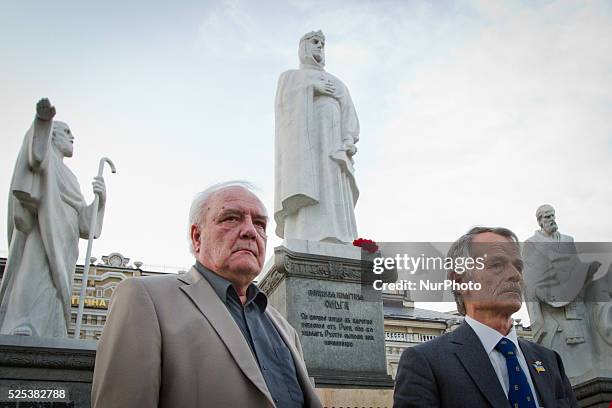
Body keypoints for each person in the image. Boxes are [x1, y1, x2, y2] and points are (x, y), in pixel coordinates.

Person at [92, 182, 322, 408]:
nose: (251, 231)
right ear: (197, 237)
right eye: (231, 218)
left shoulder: (285, 329)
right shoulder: (144, 298)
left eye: (260, 224)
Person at [393, 227, 578, 408]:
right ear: (460, 281)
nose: (515, 275)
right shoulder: (426, 362)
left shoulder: (549, 360)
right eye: (497, 265)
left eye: (518, 266)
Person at [0, 98, 107, 337]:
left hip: (66, 242)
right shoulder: (47, 162)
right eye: (66, 132)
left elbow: (85, 225)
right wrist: (42, 121)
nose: (72, 138)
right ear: (52, 136)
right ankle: (23, 321)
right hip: (44, 230)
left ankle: (49, 327)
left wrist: (100, 201)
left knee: (55, 289)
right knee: (35, 272)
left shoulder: (71, 177)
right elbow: (34, 157)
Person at [274, 30, 360, 243]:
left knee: (333, 184)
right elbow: (283, 107)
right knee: (313, 184)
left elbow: (349, 112)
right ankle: (305, 235)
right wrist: (310, 87)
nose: (320, 46)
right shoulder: (291, 76)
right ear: (303, 46)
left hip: (334, 146)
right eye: (314, 42)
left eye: (322, 43)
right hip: (307, 147)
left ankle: (340, 235)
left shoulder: (337, 83)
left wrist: (348, 138)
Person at [523, 204, 608, 380]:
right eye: (546, 217)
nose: (551, 219)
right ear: (539, 221)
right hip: (552, 306)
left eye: (552, 215)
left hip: (575, 302)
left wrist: (586, 271)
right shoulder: (532, 244)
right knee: (561, 359)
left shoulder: (568, 240)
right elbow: (529, 277)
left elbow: (575, 267)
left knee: (586, 352)